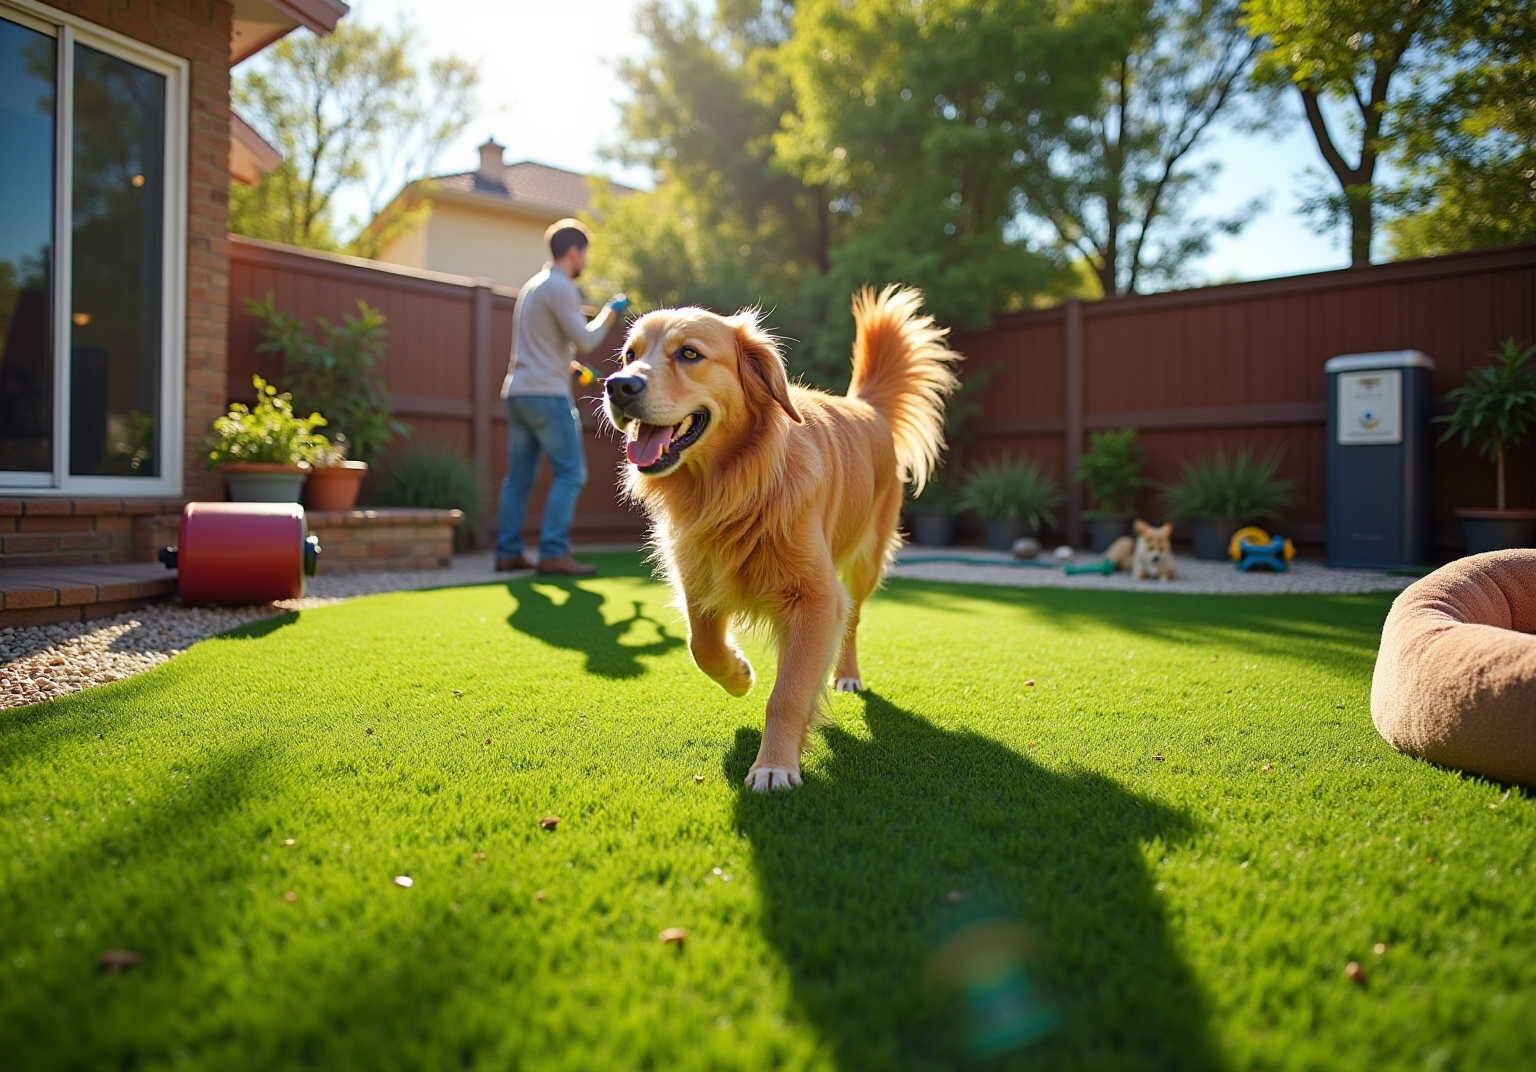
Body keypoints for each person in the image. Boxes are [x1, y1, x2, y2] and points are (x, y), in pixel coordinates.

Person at [495, 218, 628, 575]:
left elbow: (542, 346)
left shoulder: (533, 287)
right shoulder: (561, 287)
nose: (584, 261)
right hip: (547, 396)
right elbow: (586, 340)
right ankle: (553, 552)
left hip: (519, 392)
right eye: (584, 253)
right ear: (574, 252)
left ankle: (507, 551)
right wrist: (611, 312)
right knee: (571, 473)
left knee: (519, 478)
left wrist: (569, 367)